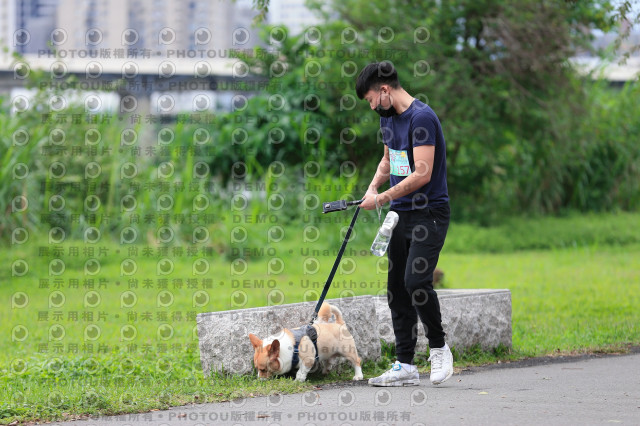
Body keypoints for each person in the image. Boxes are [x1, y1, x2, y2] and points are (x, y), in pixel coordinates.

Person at [356, 61, 453, 386]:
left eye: (371, 99)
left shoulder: (421, 118)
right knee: (397, 289)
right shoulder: (388, 119)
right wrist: (373, 188)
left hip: (429, 213)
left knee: (416, 282)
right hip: (401, 213)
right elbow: (389, 161)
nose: (372, 107)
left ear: (385, 90)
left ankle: (439, 349)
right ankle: (406, 365)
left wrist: (382, 198)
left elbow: (422, 174)